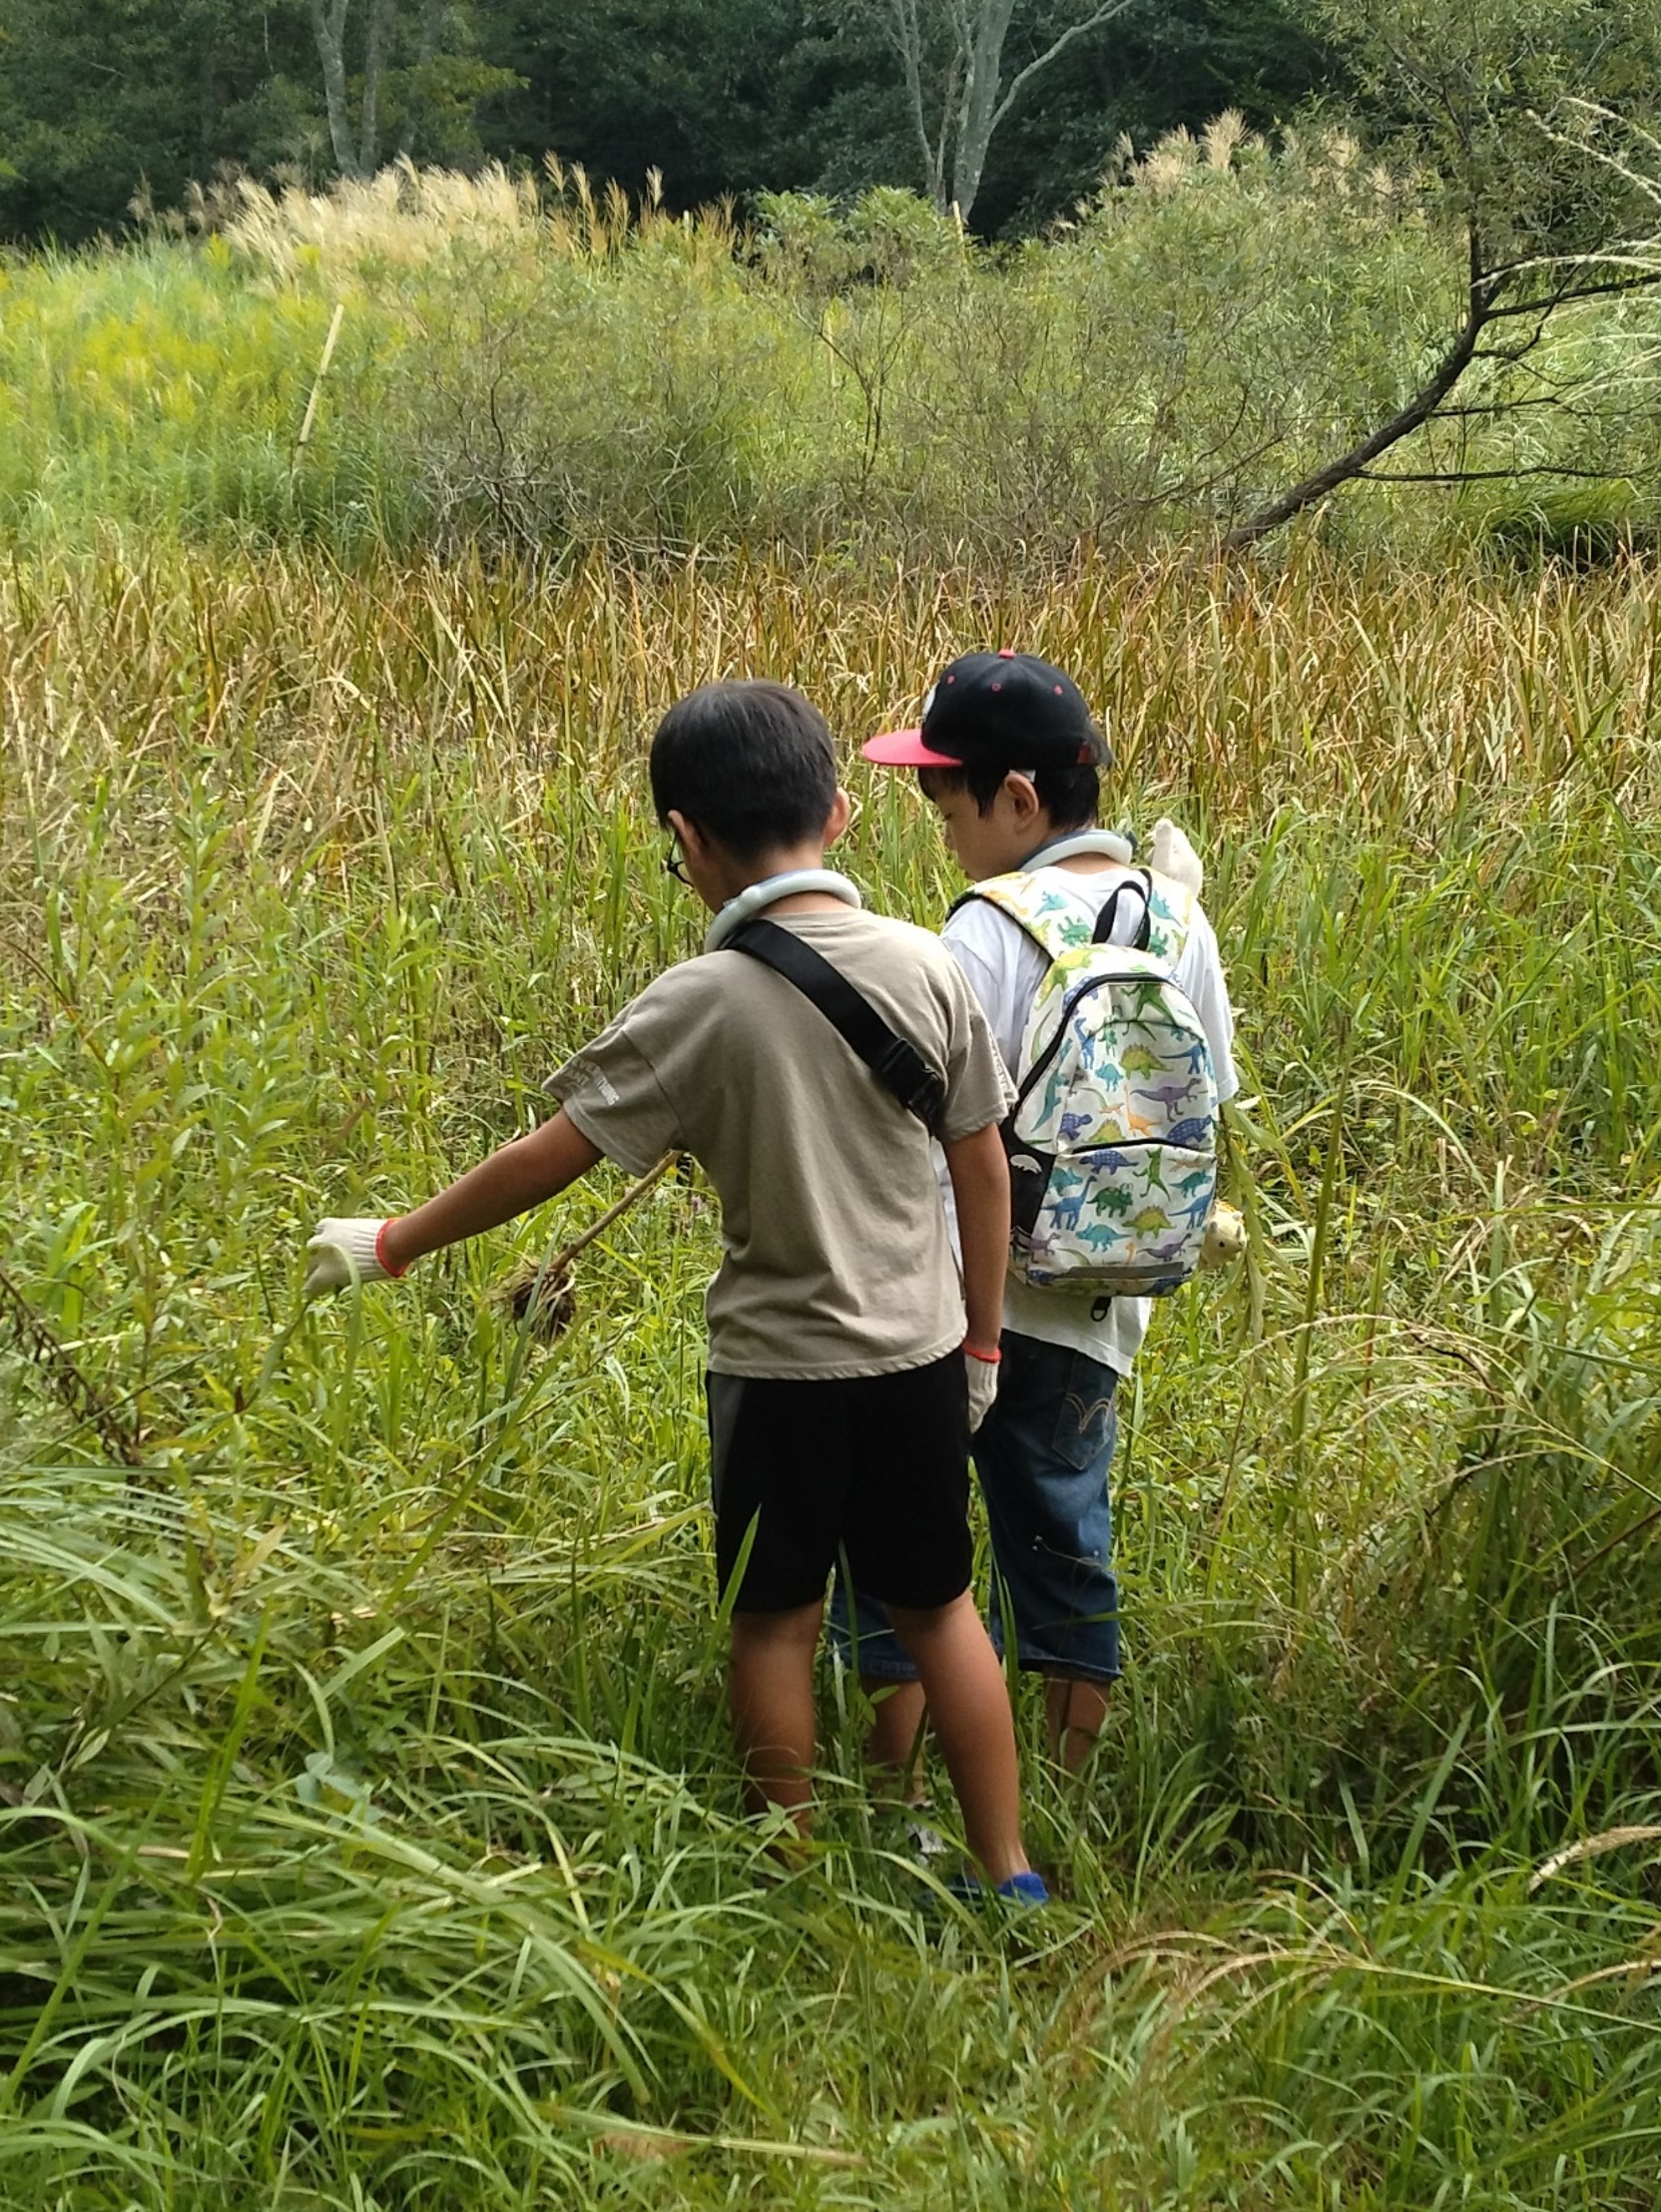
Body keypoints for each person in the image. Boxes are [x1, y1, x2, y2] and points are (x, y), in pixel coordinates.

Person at [301, 678, 1049, 1901]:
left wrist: (395, 1241)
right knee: (941, 1616)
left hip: (779, 1374)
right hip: (920, 1363)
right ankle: (1008, 1868)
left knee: (776, 1626)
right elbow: (980, 1165)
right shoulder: (931, 964)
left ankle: (791, 1878)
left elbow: (545, 1157)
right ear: (842, 816)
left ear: (689, 839)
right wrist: (979, 1350)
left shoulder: (698, 1003)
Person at [845, 650, 1239, 1779]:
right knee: (1065, 1533)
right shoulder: (1177, 918)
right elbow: (1211, 1098)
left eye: (943, 799)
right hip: (1101, 1300)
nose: (941, 826)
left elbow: (932, 1127)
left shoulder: (986, 928)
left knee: (908, 1538)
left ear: (1016, 798)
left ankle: (897, 1781)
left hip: (963, 1299)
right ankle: (1067, 1781)